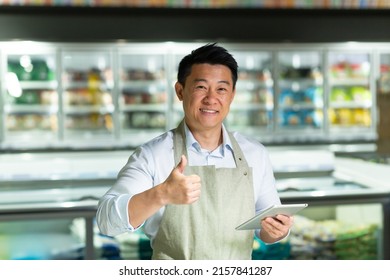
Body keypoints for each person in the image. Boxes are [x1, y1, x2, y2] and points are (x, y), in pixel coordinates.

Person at [96, 43, 293, 260]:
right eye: (201, 87)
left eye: (221, 89)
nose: (211, 98)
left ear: (232, 95)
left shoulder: (255, 153)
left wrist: (276, 231)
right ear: (180, 91)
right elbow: (107, 222)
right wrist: (161, 194)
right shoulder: (152, 155)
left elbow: (266, 226)